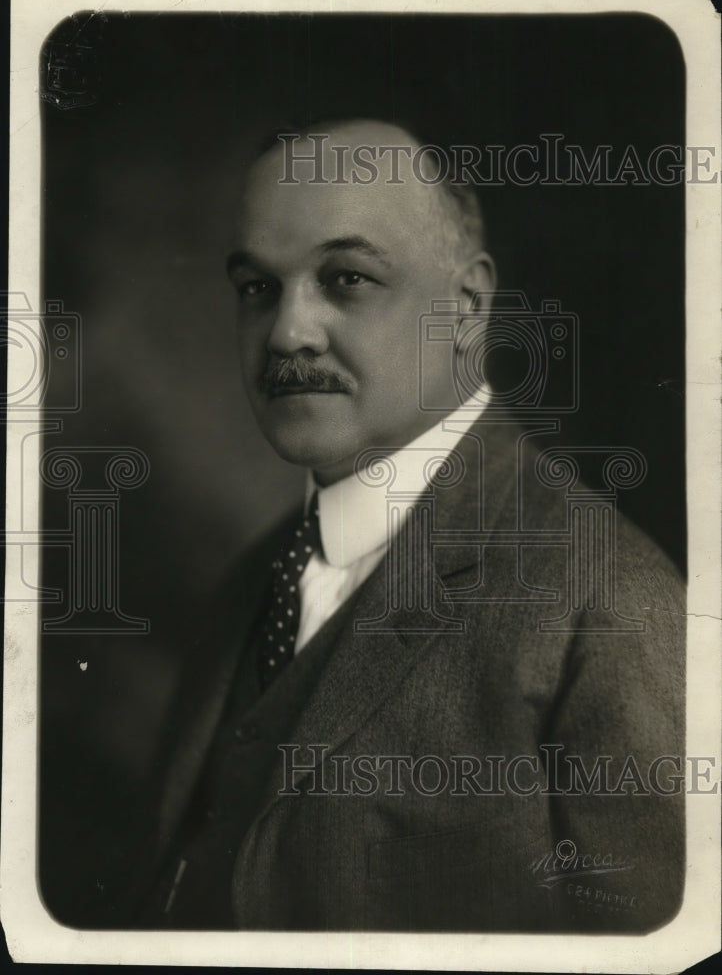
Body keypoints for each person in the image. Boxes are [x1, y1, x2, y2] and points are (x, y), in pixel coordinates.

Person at [116, 119, 685, 932]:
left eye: (345, 279)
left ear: (467, 306)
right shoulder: (249, 586)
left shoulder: (608, 604)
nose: (286, 331)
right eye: (256, 287)